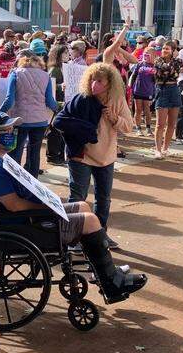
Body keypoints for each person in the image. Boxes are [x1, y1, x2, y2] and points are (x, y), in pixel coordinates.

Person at [0, 112, 145, 303]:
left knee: (82, 206)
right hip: (24, 223)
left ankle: (106, 271)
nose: (12, 133)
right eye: (6, 130)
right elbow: (14, 205)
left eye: (13, 129)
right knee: (91, 220)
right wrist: (46, 207)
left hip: (24, 217)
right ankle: (111, 283)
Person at [52, 62, 133, 250]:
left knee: (103, 199)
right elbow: (59, 121)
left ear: (109, 84)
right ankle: (72, 238)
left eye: (99, 81)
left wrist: (114, 118)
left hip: (106, 156)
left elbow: (128, 126)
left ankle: (100, 235)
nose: (94, 84)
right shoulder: (81, 99)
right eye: (92, 80)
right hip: (81, 155)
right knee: (78, 198)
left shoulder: (117, 100)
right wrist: (86, 130)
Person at [0, 52, 59, 177]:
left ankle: (14, 178)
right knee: (34, 152)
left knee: (16, 150)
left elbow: (9, 99)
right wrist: (57, 108)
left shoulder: (15, 74)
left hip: (20, 120)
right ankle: (33, 182)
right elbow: (50, 100)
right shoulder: (45, 76)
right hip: (40, 121)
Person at [151, 42, 183, 158]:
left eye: (167, 49)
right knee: (160, 123)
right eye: (164, 48)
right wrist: (171, 69)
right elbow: (166, 70)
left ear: (173, 50)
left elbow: (174, 71)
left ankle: (165, 148)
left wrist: (172, 68)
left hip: (174, 89)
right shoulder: (157, 60)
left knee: (172, 123)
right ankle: (157, 150)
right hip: (162, 90)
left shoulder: (177, 61)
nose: (164, 50)